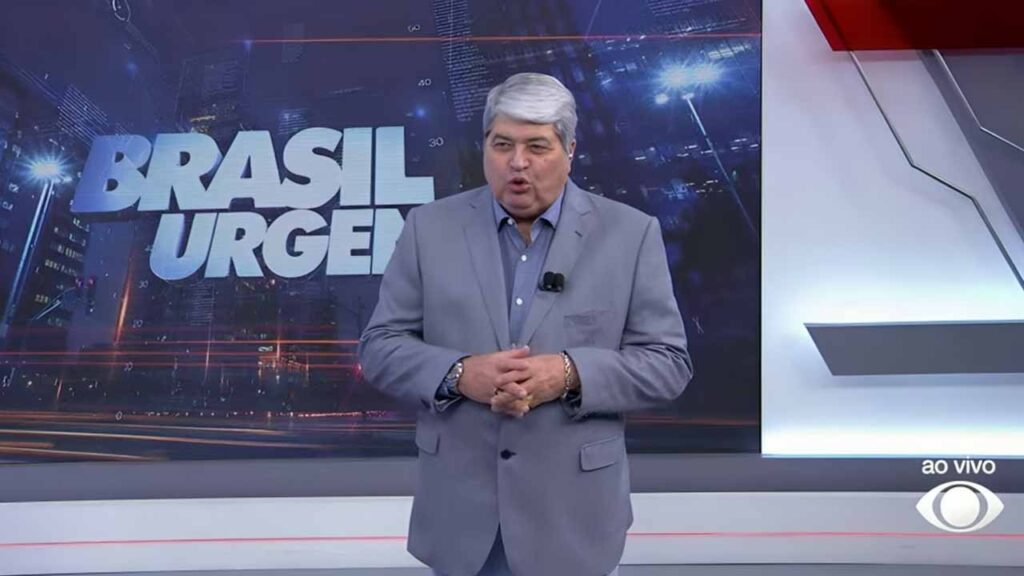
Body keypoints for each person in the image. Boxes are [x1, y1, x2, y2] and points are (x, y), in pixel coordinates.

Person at [358, 72, 692, 576]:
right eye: (502, 145)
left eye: (537, 146)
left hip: (575, 521)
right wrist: (458, 374)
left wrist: (568, 373)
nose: (517, 162)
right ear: (485, 147)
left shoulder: (630, 233)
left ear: (570, 150)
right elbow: (380, 347)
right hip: (459, 519)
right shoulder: (429, 228)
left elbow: (667, 364)